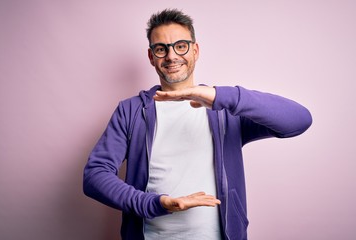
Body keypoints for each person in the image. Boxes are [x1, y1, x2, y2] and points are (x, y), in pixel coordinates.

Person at [83, 8, 312, 240]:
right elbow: (95, 176)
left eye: (180, 46)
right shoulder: (131, 111)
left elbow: (299, 120)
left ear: (195, 50)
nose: (171, 56)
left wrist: (217, 96)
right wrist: (154, 203)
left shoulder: (225, 111)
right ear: (152, 57)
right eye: (161, 49)